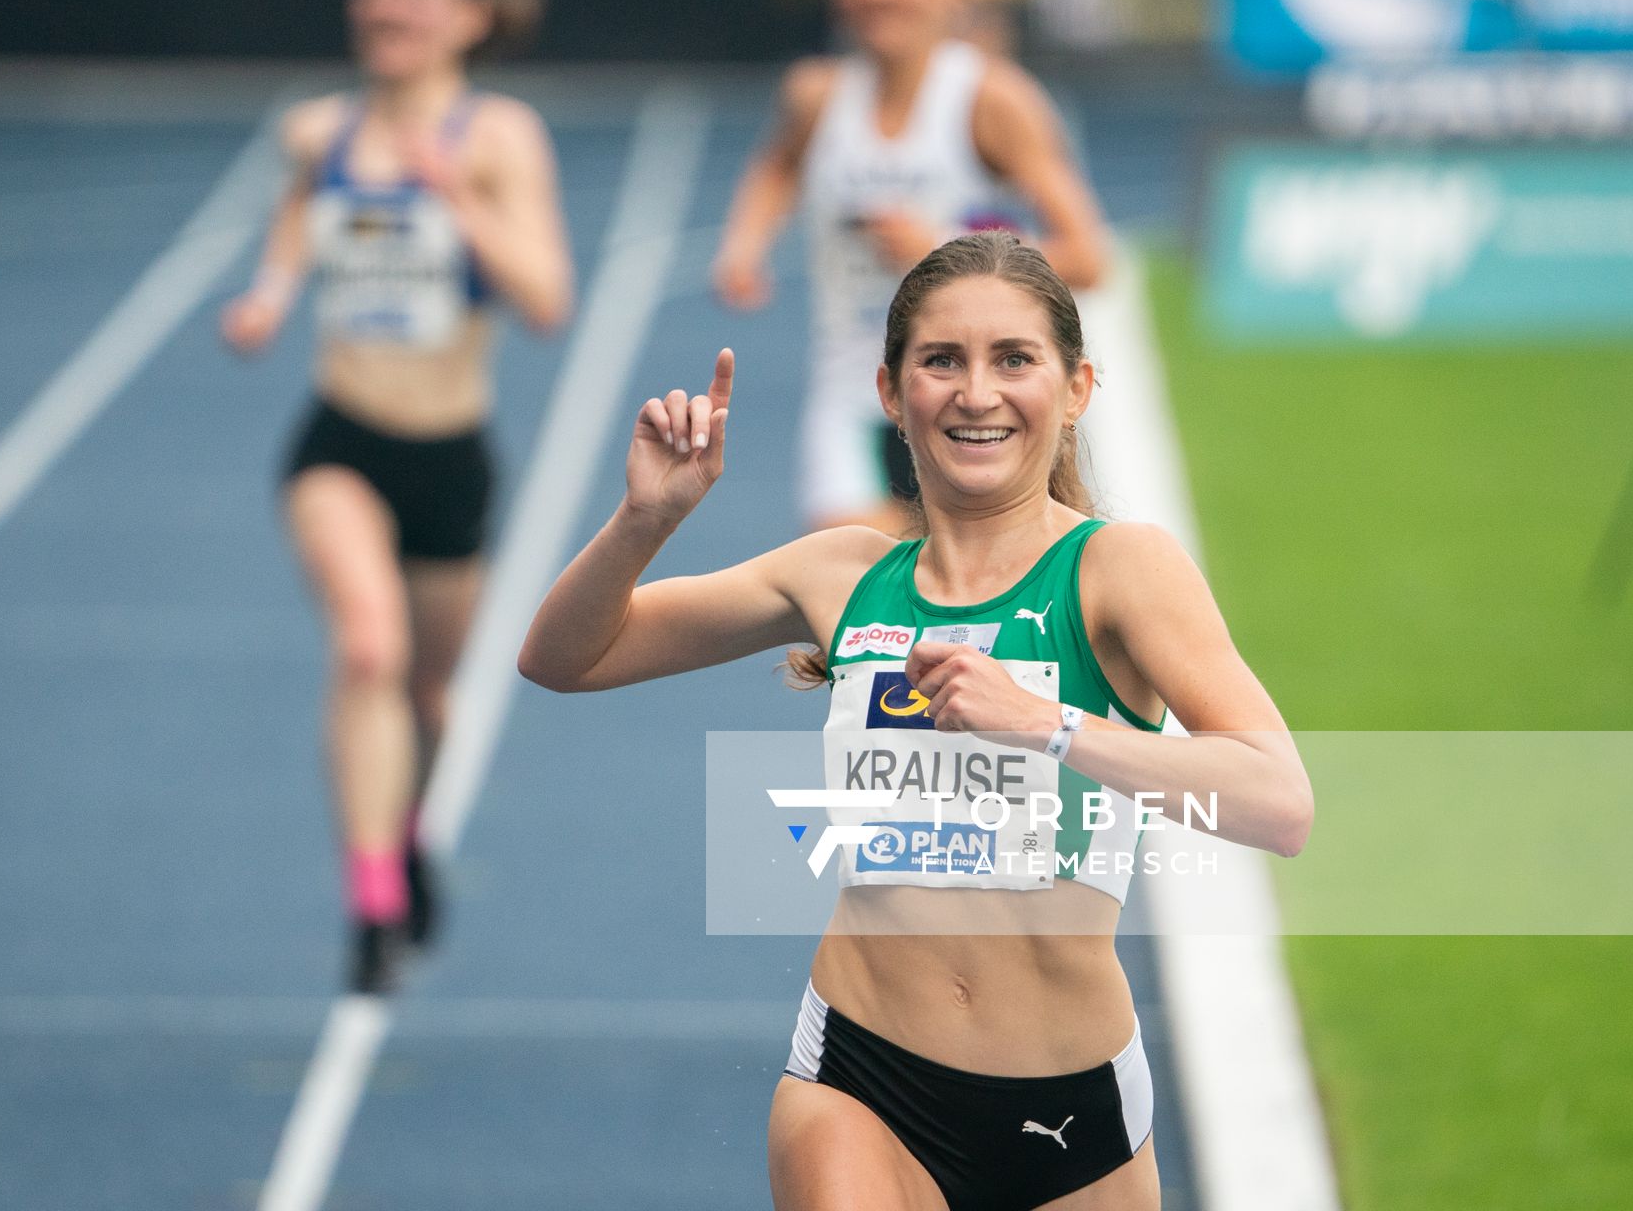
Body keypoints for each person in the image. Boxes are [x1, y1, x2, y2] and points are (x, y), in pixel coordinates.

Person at [521, 231, 1312, 1209]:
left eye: (1013, 359)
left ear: (1076, 389)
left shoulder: (1120, 572)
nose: (977, 393)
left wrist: (1047, 723)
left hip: (1070, 1114)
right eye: (942, 360)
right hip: (861, 1077)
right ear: (892, 392)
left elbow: (1280, 801)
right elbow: (564, 658)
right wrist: (643, 522)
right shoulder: (840, 573)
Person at [221, 0, 572, 992]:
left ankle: (405, 826)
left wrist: (454, 197)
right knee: (368, 648)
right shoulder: (316, 130)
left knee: (427, 695)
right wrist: (270, 294)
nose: (391, 8)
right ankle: (372, 898)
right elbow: (297, 214)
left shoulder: (499, 137)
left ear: (467, 15)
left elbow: (548, 302)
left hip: (451, 456)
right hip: (340, 440)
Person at [713, 0, 1111, 536]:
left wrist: (940, 249)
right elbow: (777, 167)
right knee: (850, 581)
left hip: (974, 400)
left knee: (975, 583)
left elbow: (1088, 258)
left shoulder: (990, 100)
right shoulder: (816, 96)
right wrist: (743, 246)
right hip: (853, 394)